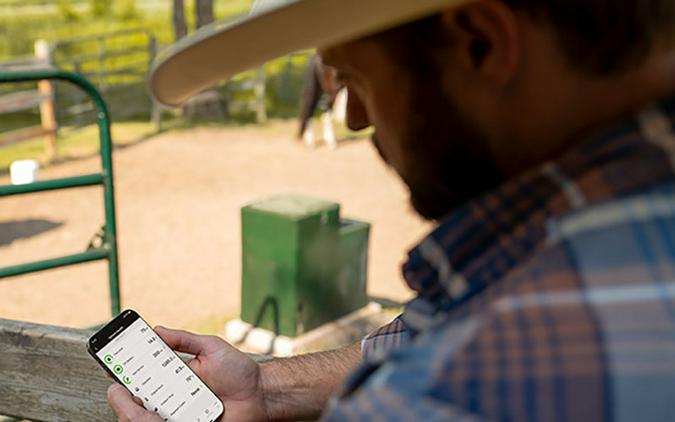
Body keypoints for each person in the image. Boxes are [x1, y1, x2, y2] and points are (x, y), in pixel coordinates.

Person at [109, 0, 675, 420]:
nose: (355, 118)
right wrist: (265, 387)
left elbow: (442, 359)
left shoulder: (436, 395)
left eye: (354, 77)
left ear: (480, 44)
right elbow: (431, 329)